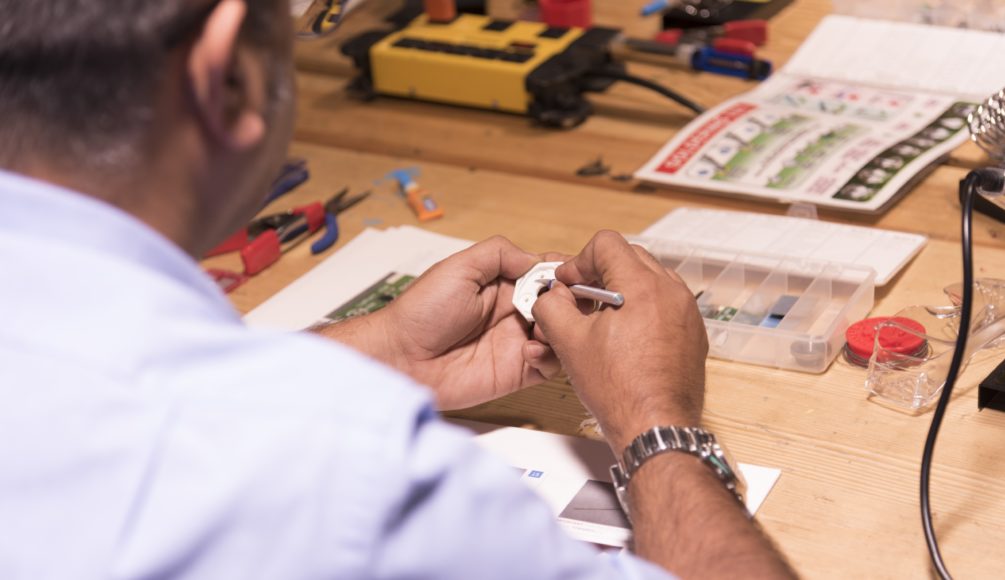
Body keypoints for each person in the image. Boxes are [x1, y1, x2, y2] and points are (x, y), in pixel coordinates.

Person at [0, 0, 795, 578]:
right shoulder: (338, 470)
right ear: (229, 74)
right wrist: (655, 420)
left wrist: (384, 353)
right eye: (311, 20)